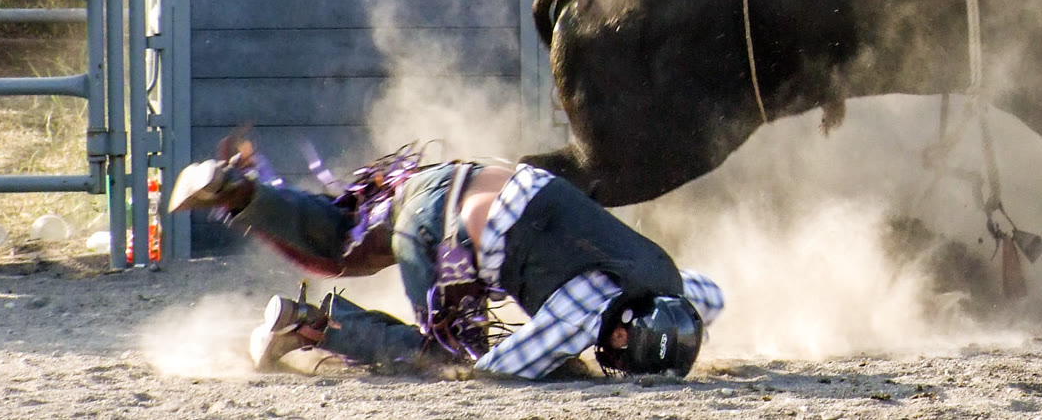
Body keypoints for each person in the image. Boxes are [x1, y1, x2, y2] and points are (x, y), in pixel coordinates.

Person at [168, 141, 724, 380]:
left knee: (344, 237)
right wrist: (574, 368)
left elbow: (712, 296)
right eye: (625, 345)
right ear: (624, 328)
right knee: (443, 355)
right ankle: (311, 326)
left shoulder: (666, 281)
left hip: (447, 179)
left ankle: (238, 189)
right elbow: (499, 370)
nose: (617, 348)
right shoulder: (582, 316)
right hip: (445, 240)